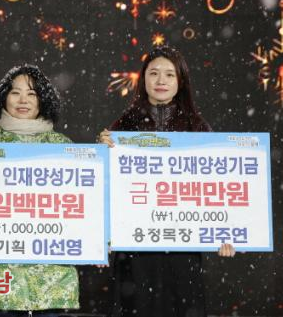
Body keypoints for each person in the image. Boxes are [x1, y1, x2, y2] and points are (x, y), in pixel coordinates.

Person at [97, 45, 235, 317]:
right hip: (135, 247)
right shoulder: (123, 127)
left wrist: (228, 230)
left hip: (182, 247)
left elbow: (219, 187)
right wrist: (102, 153)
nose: (161, 80)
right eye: (154, 73)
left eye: (170, 74)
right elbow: (104, 188)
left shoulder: (198, 129)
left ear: (181, 81)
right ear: (143, 79)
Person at [0, 64, 79, 317]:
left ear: (43, 100)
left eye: (32, 93)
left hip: (52, 278)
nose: (23, 100)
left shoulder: (65, 149)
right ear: (3, 98)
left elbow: (85, 205)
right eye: (15, 92)